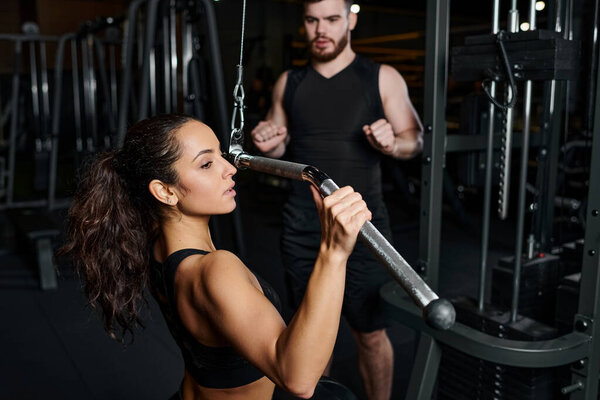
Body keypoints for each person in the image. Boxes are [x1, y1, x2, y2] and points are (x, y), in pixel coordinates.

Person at [58, 114, 372, 400]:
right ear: (165, 192)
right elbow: (298, 379)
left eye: (221, 154)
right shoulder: (215, 269)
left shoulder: (154, 245)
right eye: (206, 164)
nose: (230, 169)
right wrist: (334, 251)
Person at [250, 1, 423, 399]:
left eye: (331, 19)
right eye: (312, 21)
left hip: (364, 227)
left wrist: (392, 142)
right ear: (304, 24)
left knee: (371, 334)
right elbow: (278, 150)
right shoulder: (287, 83)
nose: (320, 30)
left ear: (351, 19)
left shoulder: (382, 77)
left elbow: (415, 140)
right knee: (310, 338)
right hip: (302, 228)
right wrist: (268, 145)